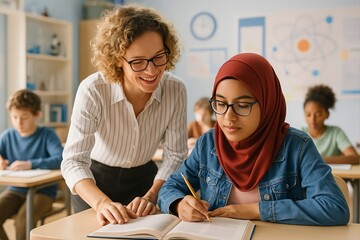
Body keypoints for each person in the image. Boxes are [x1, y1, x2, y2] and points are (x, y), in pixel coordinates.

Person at [158, 53, 349, 226]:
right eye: (221, 103)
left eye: (242, 105)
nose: (228, 117)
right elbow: (170, 188)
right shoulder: (208, 143)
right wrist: (178, 204)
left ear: (267, 103)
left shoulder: (297, 147)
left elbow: (334, 208)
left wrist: (255, 210)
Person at [61, 4, 188, 226]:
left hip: (146, 181)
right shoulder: (93, 90)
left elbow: (175, 156)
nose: (151, 71)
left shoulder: (175, 90)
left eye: (159, 57)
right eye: (138, 62)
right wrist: (101, 203)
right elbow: (73, 161)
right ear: (118, 59)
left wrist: (152, 195)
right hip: (95, 182)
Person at [0, 89, 63, 240]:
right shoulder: (7, 136)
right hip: (16, 190)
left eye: (24, 117)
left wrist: (30, 164)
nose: (18, 123)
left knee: (23, 221)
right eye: (14, 117)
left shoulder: (47, 134)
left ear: (37, 115)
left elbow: (61, 159)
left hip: (43, 192)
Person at [302, 84, 359, 164]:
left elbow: (355, 158)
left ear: (327, 114)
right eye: (308, 115)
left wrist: (320, 159)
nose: (312, 120)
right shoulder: (301, 133)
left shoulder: (336, 132)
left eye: (318, 115)